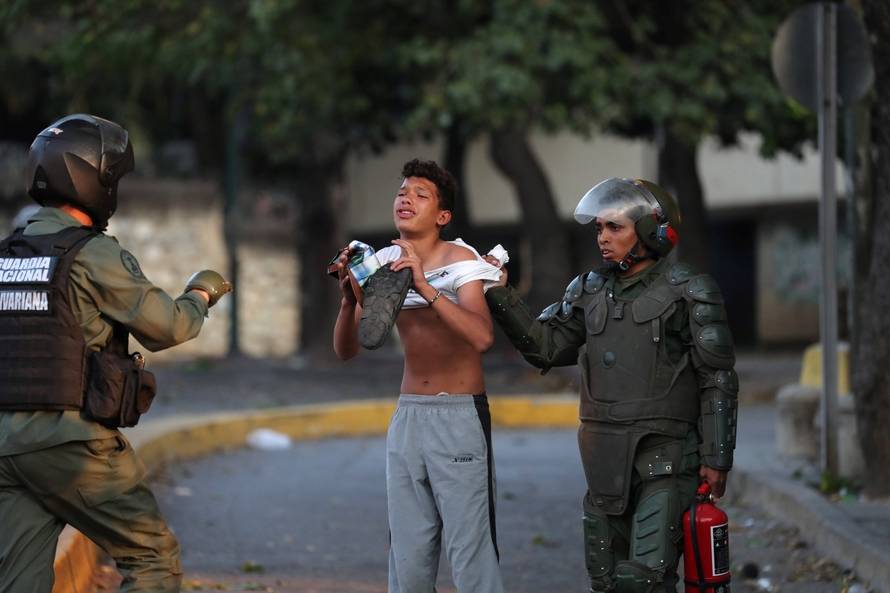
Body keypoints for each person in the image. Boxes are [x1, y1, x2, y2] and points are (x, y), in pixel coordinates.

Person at [0, 114, 232, 593]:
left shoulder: (7, 255)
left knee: (17, 582)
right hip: (70, 444)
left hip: (7, 447)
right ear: (93, 180)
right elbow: (167, 327)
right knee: (152, 557)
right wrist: (201, 293)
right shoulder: (92, 253)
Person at [483, 178, 738, 593]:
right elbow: (545, 347)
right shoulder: (588, 290)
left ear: (650, 230)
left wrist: (717, 456)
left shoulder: (689, 290)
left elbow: (717, 377)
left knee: (643, 581)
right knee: (606, 583)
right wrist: (499, 292)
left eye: (614, 228)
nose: (602, 238)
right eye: (599, 228)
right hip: (603, 462)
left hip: (667, 457)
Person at [333, 159, 505, 593]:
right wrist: (349, 302)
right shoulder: (385, 262)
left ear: (442, 216)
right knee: (408, 555)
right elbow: (348, 350)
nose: (406, 198)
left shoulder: (461, 259)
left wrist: (425, 286)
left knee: (471, 554)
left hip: (458, 416)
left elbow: (482, 336)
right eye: (402, 192)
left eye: (420, 194)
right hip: (408, 417)